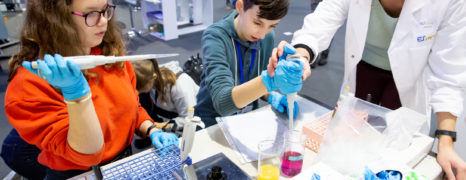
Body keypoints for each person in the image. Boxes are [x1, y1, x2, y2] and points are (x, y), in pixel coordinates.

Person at [268, 0, 466, 179]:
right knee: (346, 149)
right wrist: (300, 55)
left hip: (407, 84)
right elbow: (323, 20)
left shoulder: (447, 3)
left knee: (396, 159)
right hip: (362, 72)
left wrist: (446, 141)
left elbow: (449, 72)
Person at [4, 0, 178, 179]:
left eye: (105, 10)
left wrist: (151, 130)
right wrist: (76, 95)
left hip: (122, 161)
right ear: (56, 19)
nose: (103, 21)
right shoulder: (30, 84)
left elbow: (133, 107)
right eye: (91, 14)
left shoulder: (110, 54)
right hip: (78, 174)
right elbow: (87, 154)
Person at [194, 0, 308, 127]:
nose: (262, 34)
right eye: (257, 23)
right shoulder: (215, 37)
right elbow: (222, 103)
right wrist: (270, 81)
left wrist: (271, 95)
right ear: (240, 7)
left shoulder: (267, 36)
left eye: (272, 26)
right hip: (211, 122)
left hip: (246, 119)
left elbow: (256, 80)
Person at [133, 59, 199, 133]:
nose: (137, 92)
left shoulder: (180, 87)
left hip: (189, 122)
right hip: (165, 114)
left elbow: (189, 118)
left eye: (140, 88)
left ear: (153, 77)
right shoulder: (150, 74)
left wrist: (164, 125)